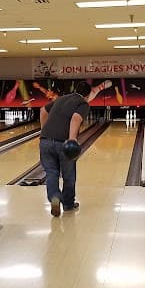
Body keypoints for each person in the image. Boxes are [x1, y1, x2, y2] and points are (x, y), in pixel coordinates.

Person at [39, 81, 91, 216]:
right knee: (68, 175)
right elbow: (76, 118)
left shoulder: (61, 98)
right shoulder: (83, 104)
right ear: (88, 95)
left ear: (74, 89)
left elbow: (43, 110)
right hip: (63, 143)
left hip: (45, 141)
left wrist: (44, 130)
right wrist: (72, 139)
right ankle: (68, 204)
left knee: (51, 172)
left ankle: (55, 197)